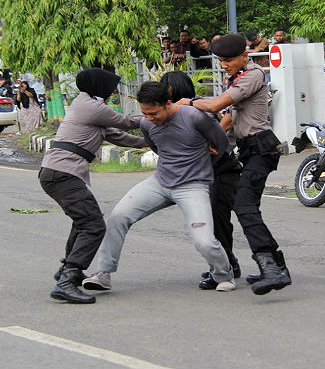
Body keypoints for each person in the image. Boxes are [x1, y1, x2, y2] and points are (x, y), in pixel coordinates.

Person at [82, 81, 236, 294]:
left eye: (154, 113)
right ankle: (103, 274)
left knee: (205, 241)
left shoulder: (194, 117)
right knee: (118, 216)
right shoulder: (146, 124)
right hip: (160, 182)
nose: (150, 118)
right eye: (145, 114)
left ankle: (223, 274)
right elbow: (156, 146)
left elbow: (221, 143)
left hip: (193, 186)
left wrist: (204, 166)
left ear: (168, 104)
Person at [175, 34, 291, 296]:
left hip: (262, 148)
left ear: (244, 56)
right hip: (249, 151)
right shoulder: (236, 77)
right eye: (220, 60)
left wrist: (188, 103)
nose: (224, 64)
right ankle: (276, 268)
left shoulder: (253, 75)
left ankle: (271, 269)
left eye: (228, 60)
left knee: (244, 207)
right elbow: (228, 117)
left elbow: (217, 104)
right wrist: (212, 142)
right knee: (245, 208)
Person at [40, 68, 146, 304]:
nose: (112, 93)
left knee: (84, 221)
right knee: (93, 225)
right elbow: (126, 122)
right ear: (100, 87)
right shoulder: (93, 107)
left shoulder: (89, 107)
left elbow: (118, 136)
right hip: (61, 173)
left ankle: (70, 271)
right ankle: (66, 281)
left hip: (58, 172)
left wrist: (149, 141)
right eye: (110, 88)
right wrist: (159, 114)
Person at [160, 71, 243, 287]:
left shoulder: (202, 108)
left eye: (171, 95)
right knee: (208, 223)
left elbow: (230, 122)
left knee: (219, 218)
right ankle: (224, 265)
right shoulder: (169, 116)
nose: (169, 101)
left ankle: (227, 266)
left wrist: (214, 139)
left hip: (222, 169)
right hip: (198, 175)